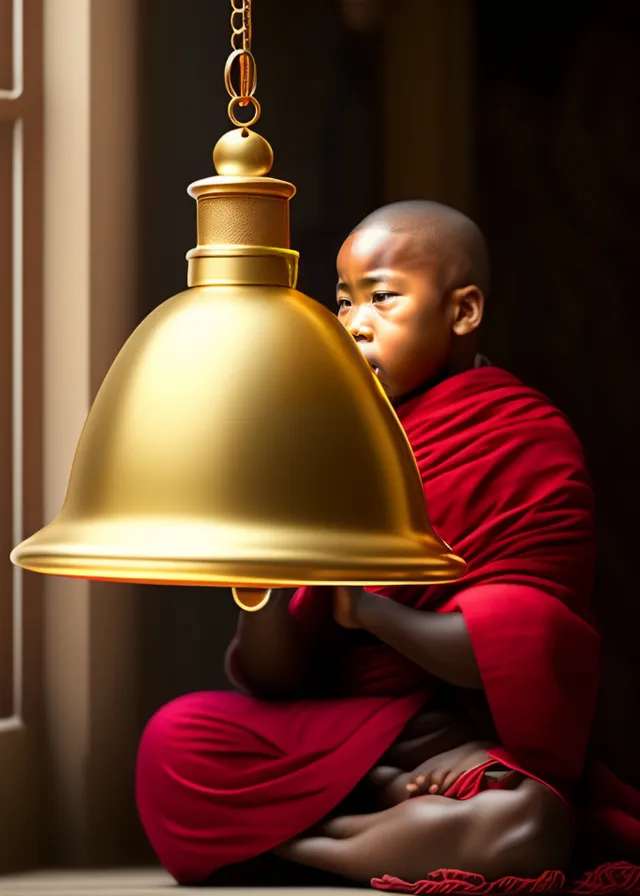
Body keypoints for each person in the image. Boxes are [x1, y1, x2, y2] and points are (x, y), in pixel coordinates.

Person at [135, 201, 602, 889]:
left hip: (462, 738)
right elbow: (277, 678)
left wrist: (370, 611)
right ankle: (388, 805)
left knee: (530, 824)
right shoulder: (333, 438)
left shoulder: (524, 438)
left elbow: (527, 646)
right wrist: (260, 570)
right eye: (344, 300)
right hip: (343, 737)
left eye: (382, 298)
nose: (352, 324)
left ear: (463, 311)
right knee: (176, 741)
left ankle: (297, 846)